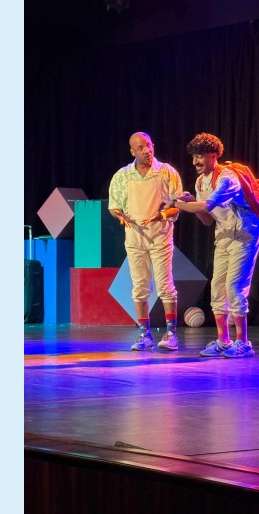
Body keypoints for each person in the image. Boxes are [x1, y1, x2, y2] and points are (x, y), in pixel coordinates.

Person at [170, 132, 259, 358]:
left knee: (235, 288)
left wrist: (177, 204)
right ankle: (223, 341)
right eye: (193, 157)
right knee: (217, 288)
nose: (195, 162)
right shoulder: (200, 182)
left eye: (200, 156)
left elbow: (208, 205)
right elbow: (207, 219)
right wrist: (191, 202)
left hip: (244, 233)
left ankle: (244, 343)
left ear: (214, 155)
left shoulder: (227, 178)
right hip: (223, 236)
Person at [107, 132, 184, 351]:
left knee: (165, 285)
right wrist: (121, 216)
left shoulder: (166, 172)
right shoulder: (123, 176)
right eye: (140, 148)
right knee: (140, 286)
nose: (146, 151)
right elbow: (114, 206)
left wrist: (161, 215)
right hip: (135, 237)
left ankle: (171, 334)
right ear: (132, 151)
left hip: (160, 236)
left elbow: (178, 205)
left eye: (148, 145)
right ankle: (144, 334)